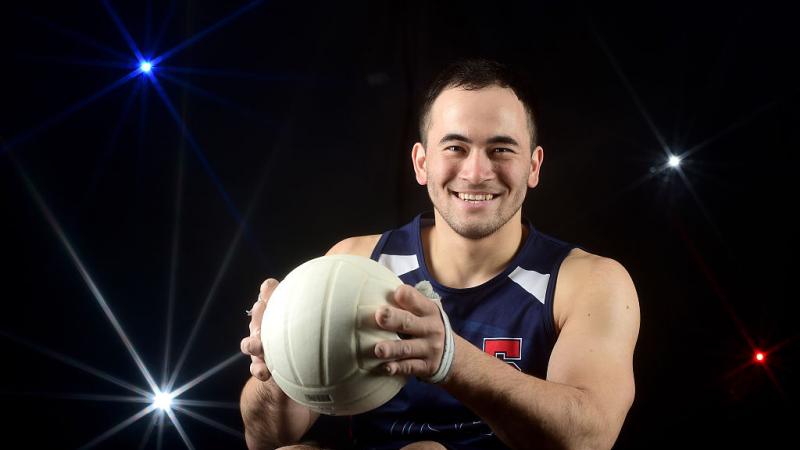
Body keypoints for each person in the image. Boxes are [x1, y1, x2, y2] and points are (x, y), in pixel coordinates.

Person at [240, 59, 640, 450]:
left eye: (501, 149)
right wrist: (279, 362)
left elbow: (590, 436)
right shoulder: (356, 263)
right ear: (422, 163)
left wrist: (450, 358)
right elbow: (267, 438)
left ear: (533, 166)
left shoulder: (587, 282)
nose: (477, 172)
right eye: (455, 147)